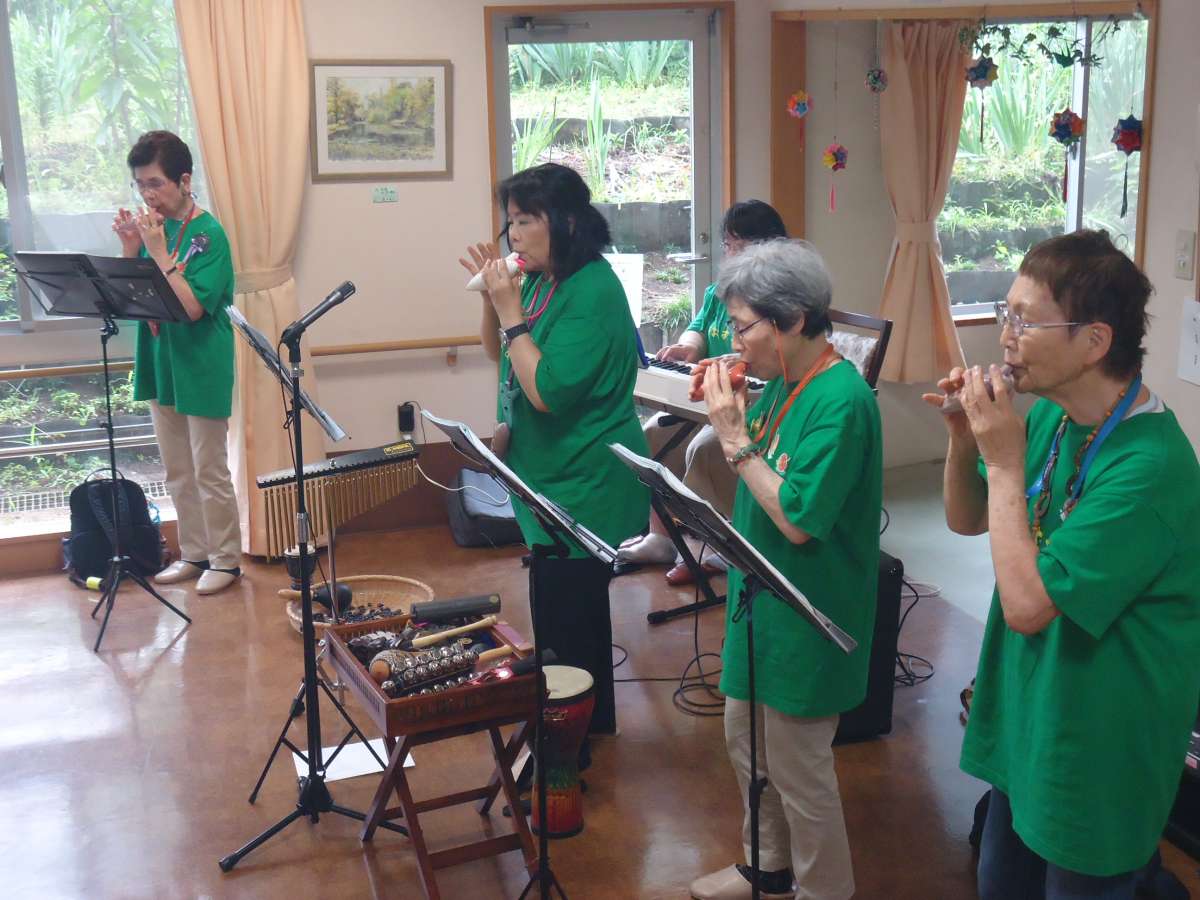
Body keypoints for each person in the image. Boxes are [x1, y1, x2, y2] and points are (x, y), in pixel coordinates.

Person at [923, 230, 1200, 899]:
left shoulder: (1151, 467)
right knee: (1000, 883)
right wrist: (965, 437)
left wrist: (1004, 462)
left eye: (1025, 320)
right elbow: (966, 519)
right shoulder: (1053, 420)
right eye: (1006, 312)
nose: (1005, 336)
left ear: (1095, 341)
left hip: (1100, 740)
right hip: (1034, 713)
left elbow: (1027, 607)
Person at [690, 240, 881, 900]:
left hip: (810, 610)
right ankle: (764, 868)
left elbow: (798, 518)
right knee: (747, 744)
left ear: (794, 320)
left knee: (799, 768)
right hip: (760, 603)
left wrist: (734, 438)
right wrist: (734, 411)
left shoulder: (841, 400)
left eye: (743, 327)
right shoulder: (782, 385)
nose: (734, 342)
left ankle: (825, 890)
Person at [459, 162, 650, 736]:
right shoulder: (544, 277)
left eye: (525, 221)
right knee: (563, 615)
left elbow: (547, 391)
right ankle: (584, 722)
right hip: (547, 477)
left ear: (565, 221)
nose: (513, 235)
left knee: (570, 614)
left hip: (585, 482)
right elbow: (499, 353)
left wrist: (510, 311)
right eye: (510, 222)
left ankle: (573, 736)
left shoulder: (593, 289)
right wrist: (491, 299)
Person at [618, 200, 788, 587]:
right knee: (653, 435)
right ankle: (662, 536)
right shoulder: (719, 292)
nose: (731, 254)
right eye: (728, 244)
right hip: (709, 400)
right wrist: (688, 348)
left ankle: (723, 544)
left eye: (741, 245)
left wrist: (742, 362)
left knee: (705, 449)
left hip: (753, 406)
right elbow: (698, 329)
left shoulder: (779, 300)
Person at [112, 130, 242, 595]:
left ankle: (226, 560)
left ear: (184, 181)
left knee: (209, 469)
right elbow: (130, 300)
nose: (148, 195)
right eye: (140, 185)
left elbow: (191, 307)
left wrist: (158, 252)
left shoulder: (210, 235)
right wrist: (131, 249)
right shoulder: (154, 229)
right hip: (160, 356)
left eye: (156, 184)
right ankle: (194, 552)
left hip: (200, 358)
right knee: (176, 469)